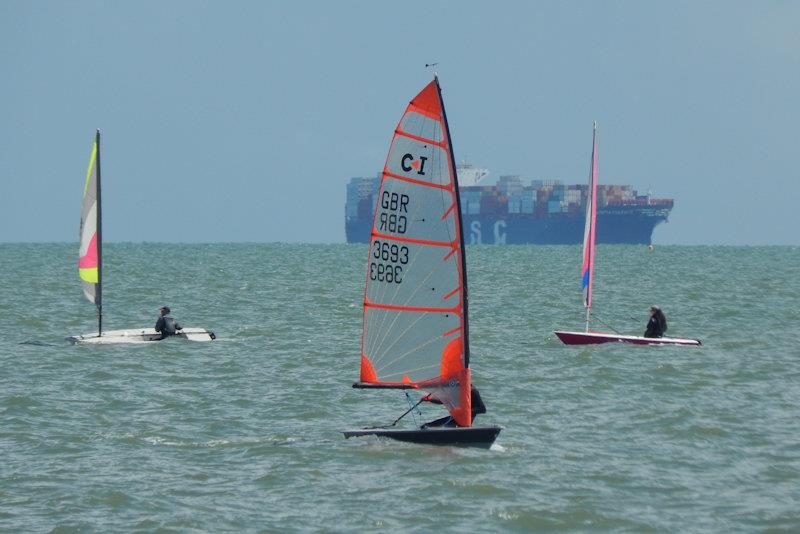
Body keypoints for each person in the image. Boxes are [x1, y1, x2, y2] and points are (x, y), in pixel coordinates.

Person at [420, 385, 487, 428]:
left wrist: (465, 412)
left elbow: (482, 409)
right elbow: (444, 401)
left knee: (443, 426)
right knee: (426, 426)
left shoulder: (472, 391)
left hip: (466, 421)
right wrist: (429, 399)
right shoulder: (457, 389)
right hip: (455, 418)